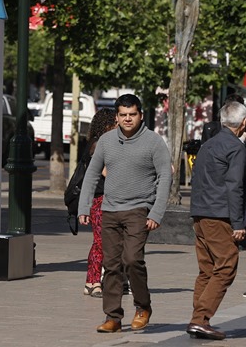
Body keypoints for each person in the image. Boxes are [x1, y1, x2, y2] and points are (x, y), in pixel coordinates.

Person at [77, 94, 171, 334]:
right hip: (110, 210)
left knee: (132, 259)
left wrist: (157, 212)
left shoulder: (154, 142)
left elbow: (165, 178)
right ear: (117, 117)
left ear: (140, 115)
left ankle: (143, 307)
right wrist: (84, 206)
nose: (128, 119)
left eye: (132, 114)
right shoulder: (106, 141)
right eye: (123, 115)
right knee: (111, 265)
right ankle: (113, 317)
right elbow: (91, 174)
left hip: (139, 210)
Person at [186, 99, 246, 340]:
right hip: (219, 215)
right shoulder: (235, 147)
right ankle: (200, 319)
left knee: (207, 269)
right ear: (243, 123)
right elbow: (235, 187)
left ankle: (198, 319)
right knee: (226, 266)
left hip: (201, 213)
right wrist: (238, 223)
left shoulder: (208, 145)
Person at [81, 108, 118, 298]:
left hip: (106, 198)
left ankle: (98, 280)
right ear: (107, 125)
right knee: (100, 242)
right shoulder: (98, 145)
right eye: (115, 123)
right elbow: (105, 173)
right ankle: (92, 281)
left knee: (103, 241)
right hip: (100, 198)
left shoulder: (103, 143)